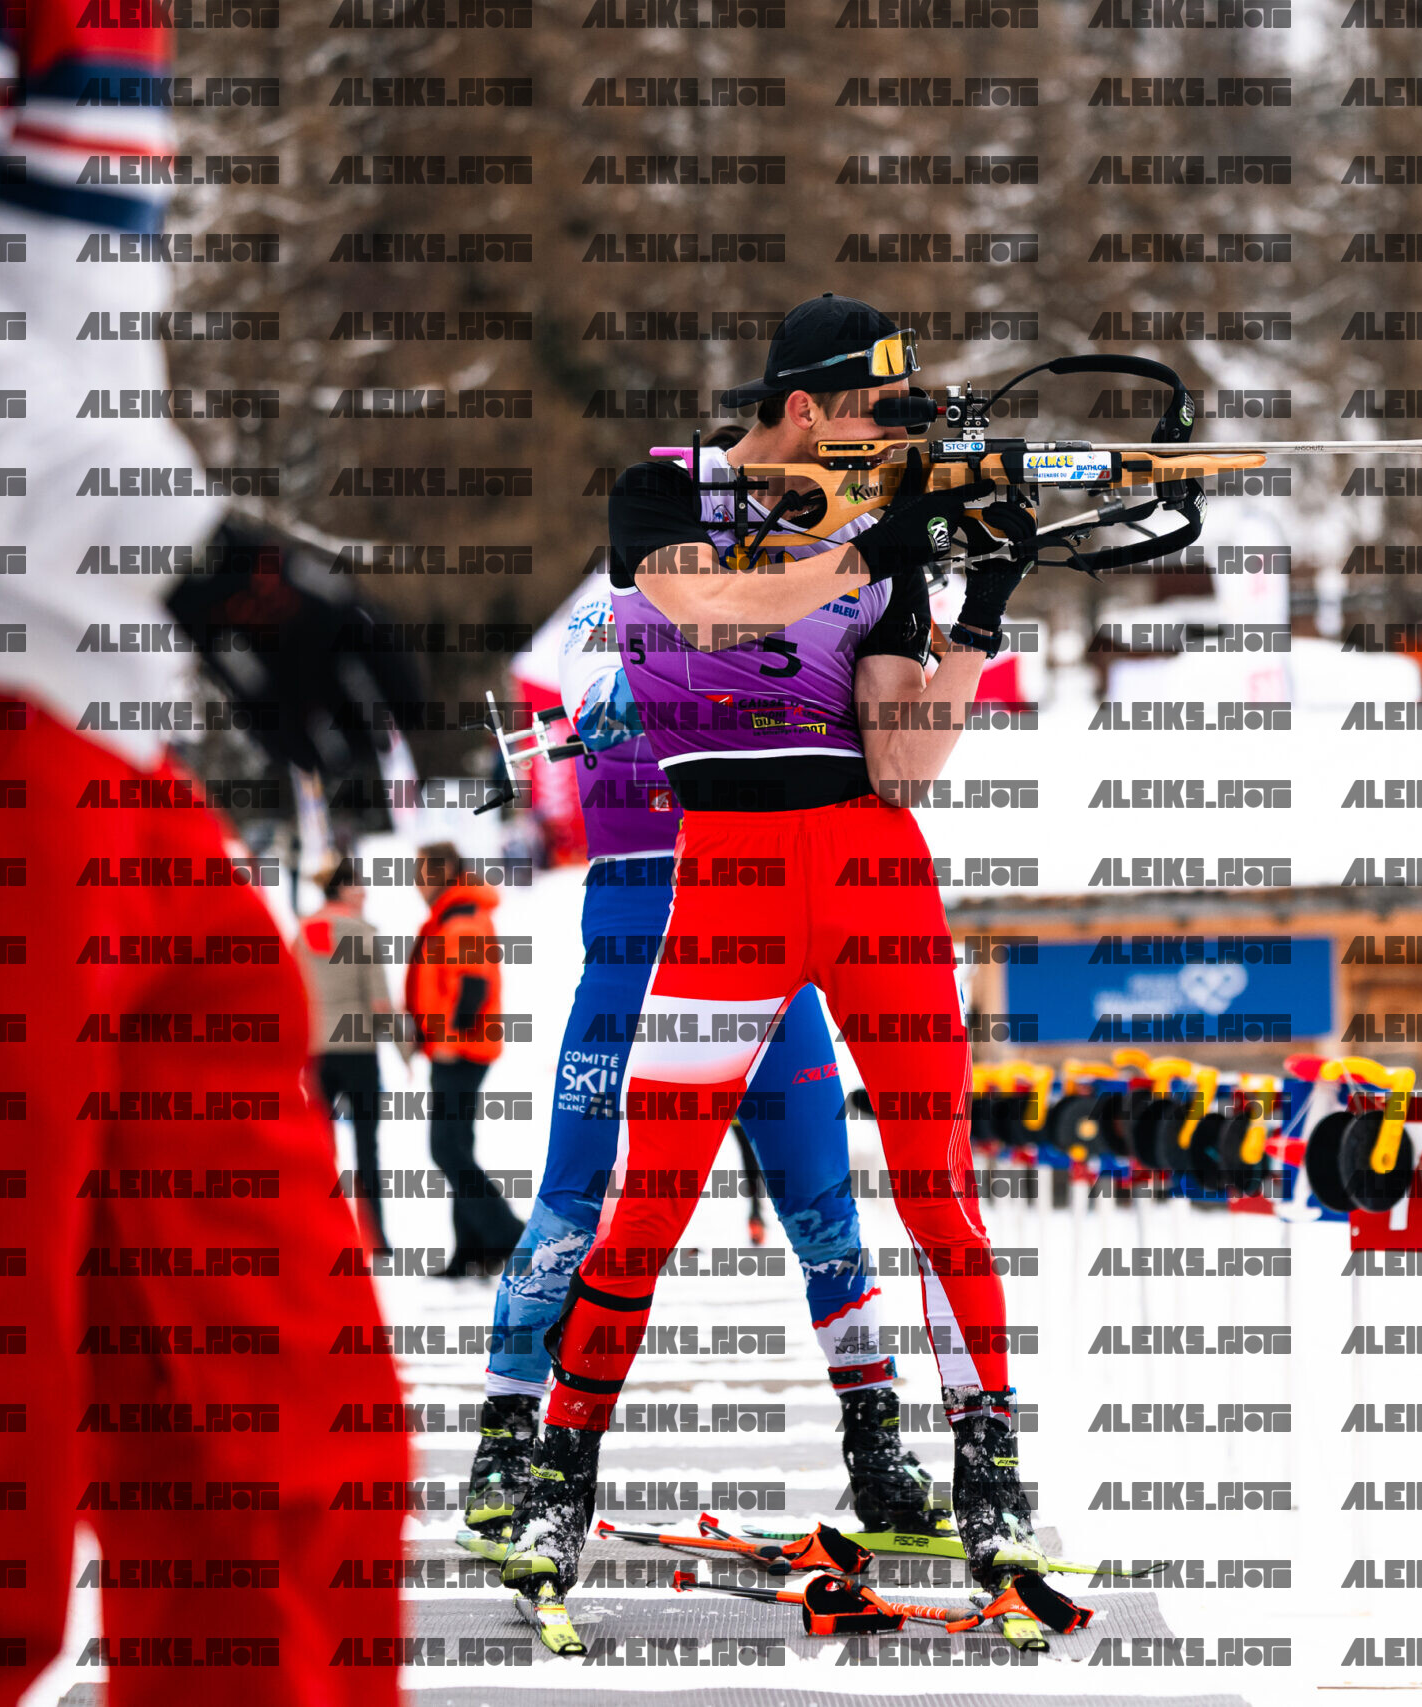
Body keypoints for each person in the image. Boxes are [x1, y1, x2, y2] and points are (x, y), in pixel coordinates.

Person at [0, 0, 406, 1692]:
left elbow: (46, 346)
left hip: (95, 748)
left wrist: (195, 601)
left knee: (283, 1443)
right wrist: (198, 556)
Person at [498, 295, 1067, 1649]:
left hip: (871, 870)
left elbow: (904, 759)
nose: (889, 439)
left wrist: (978, 610)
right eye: (873, 413)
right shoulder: (664, 491)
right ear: (804, 407)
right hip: (730, 877)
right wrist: (868, 543)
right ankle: (559, 1480)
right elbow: (703, 607)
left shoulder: (881, 534)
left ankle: (991, 1473)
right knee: (650, 1196)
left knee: (939, 1187)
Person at [458, 542, 940, 1574]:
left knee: (823, 1200)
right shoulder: (610, 604)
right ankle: (508, 1438)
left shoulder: (787, 585)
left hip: (759, 914)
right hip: (638, 939)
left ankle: (876, 1440)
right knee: (576, 1196)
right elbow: (609, 706)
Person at [406, 842, 527, 1276]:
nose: (416, 881)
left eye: (421, 870)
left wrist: (451, 1039)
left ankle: (509, 1235)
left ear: (443, 870)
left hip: (462, 1048)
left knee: (446, 1147)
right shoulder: (451, 915)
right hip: (456, 1045)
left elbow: (473, 986)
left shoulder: (462, 918)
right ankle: (472, 1250)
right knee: (457, 1145)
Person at [297, 863, 403, 1250]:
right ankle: (373, 1236)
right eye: (359, 887)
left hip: (317, 1052)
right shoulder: (361, 932)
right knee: (366, 1146)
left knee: (320, 1147)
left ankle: (318, 1232)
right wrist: (407, 1051)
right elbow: (380, 1003)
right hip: (357, 1051)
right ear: (342, 890)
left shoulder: (301, 933)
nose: (365, 894)